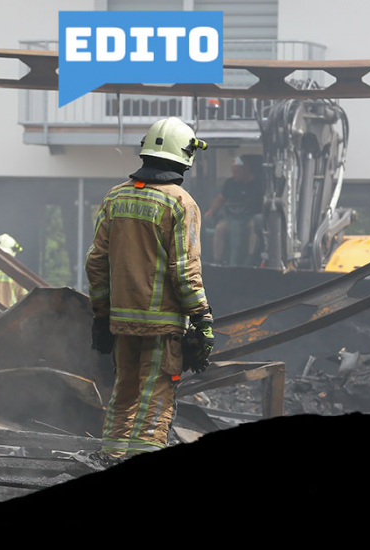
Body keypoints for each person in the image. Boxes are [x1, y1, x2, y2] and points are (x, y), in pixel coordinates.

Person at [85, 117, 214, 459]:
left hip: (121, 323)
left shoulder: (115, 197)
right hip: (163, 325)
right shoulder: (179, 203)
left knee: (123, 395)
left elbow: (95, 262)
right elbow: (185, 270)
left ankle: (110, 460)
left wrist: (101, 316)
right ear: (185, 155)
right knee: (156, 398)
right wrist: (202, 318)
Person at [204, 155, 265, 266]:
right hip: (231, 218)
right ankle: (217, 260)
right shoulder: (230, 183)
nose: (234, 175)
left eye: (237, 172)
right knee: (220, 228)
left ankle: (250, 258)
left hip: (250, 218)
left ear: (246, 170)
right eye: (233, 172)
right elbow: (220, 199)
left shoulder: (258, 184)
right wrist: (211, 211)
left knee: (254, 225)